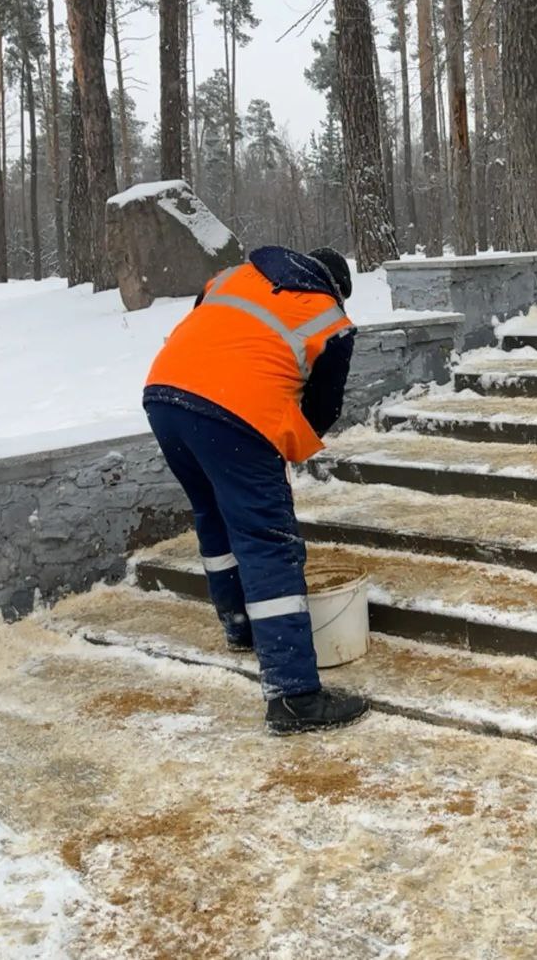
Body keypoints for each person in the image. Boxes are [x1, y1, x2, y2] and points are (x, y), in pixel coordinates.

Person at [143, 245, 369, 736]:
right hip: (234, 414)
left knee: (213, 514)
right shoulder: (329, 317)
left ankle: (240, 626)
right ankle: (293, 696)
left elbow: (217, 335)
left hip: (163, 396)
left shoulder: (233, 277)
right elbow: (322, 408)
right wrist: (277, 451)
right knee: (269, 542)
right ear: (336, 289)